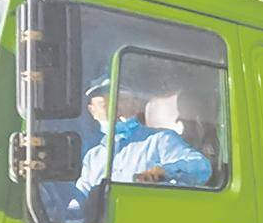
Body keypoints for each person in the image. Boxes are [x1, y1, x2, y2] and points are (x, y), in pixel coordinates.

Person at [72, 84, 212, 209]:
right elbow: (79, 201)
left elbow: (201, 167)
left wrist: (163, 172)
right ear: (92, 112)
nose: (114, 108)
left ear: (135, 105)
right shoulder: (93, 157)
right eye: (105, 104)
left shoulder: (159, 140)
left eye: (120, 99)